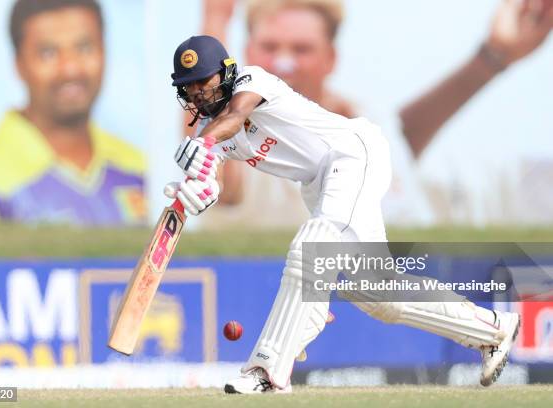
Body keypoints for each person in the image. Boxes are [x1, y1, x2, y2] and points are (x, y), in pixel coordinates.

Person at [165, 35, 520, 393]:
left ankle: (267, 371)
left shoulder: (251, 81)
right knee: (379, 296)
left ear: (226, 74)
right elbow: (210, 180)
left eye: (203, 81)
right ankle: (493, 330)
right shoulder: (208, 131)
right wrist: (198, 192)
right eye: (187, 86)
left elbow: (235, 116)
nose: (196, 92)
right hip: (320, 184)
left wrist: (200, 144)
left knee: (312, 247)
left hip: (350, 154)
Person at [199, 0, 553, 226]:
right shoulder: (242, 140)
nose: (284, 60)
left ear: (330, 59)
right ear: (245, 52)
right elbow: (208, 148)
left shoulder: (362, 120)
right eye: (270, 47)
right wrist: (215, 17)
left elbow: (402, 138)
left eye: (302, 48)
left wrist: (494, 56)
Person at [0, 0, 147, 227]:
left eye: (85, 48)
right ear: (19, 64)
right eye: (48, 53)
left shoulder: (140, 170)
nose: (70, 68)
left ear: (105, 51)